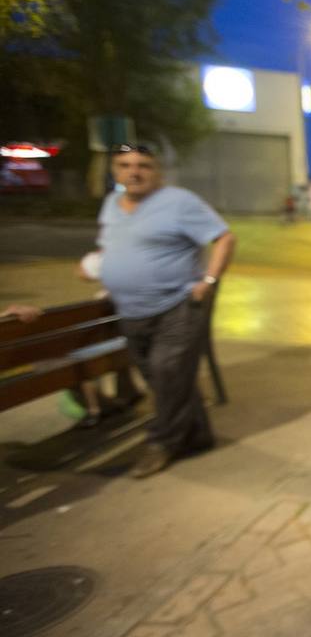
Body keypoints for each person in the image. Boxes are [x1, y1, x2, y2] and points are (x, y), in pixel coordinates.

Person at [85, 143, 235, 477]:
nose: (134, 172)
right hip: (131, 309)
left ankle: (162, 443)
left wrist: (209, 280)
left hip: (178, 305)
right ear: (114, 171)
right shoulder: (110, 204)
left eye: (143, 165)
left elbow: (224, 238)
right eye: (125, 165)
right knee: (162, 377)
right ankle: (197, 436)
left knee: (167, 372)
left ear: (157, 171)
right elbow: (109, 245)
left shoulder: (179, 203)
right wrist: (105, 270)